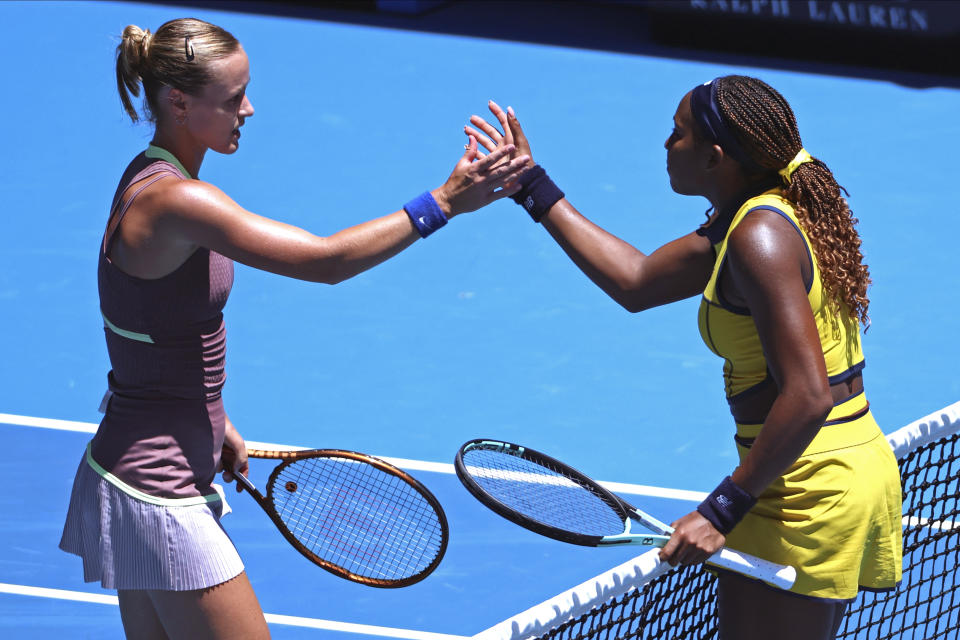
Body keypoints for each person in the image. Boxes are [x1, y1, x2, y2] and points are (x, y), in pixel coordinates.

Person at [58, 17, 529, 640]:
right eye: (231, 100)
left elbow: (149, 327)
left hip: (135, 469)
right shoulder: (179, 203)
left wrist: (212, 416)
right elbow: (324, 260)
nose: (247, 110)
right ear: (177, 102)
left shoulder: (152, 178)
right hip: (159, 488)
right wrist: (441, 203)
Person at [467, 77, 902, 639]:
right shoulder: (755, 217)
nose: (666, 145)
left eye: (678, 134)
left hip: (806, 486)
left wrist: (722, 509)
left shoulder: (758, 239)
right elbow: (637, 281)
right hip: (819, 467)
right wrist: (531, 185)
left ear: (714, 157)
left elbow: (809, 394)